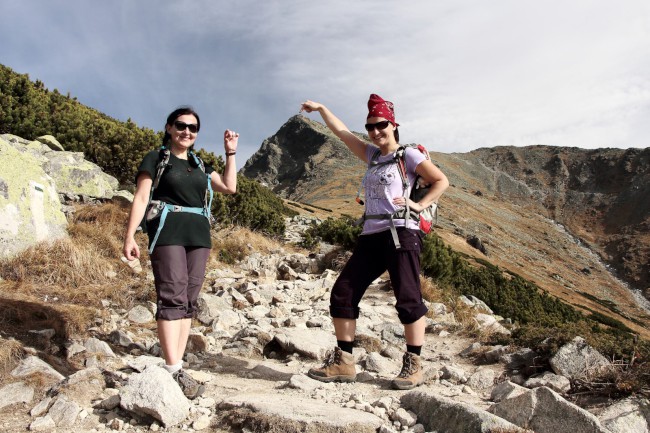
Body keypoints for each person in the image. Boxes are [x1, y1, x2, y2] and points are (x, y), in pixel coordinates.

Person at [300, 94, 449, 390]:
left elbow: (441, 181)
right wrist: (321, 109)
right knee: (343, 292)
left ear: (393, 125)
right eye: (370, 127)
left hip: (401, 233)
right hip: (371, 234)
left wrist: (417, 206)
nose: (375, 131)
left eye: (381, 125)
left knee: (408, 297)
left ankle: (414, 364)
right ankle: (344, 361)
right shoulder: (371, 156)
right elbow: (342, 134)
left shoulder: (408, 156)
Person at [122, 106, 238, 399]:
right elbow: (141, 196)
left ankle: (178, 364)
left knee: (188, 298)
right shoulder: (156, 158)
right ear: (169, 128)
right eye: (181, 125)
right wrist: (130, 235)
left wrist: (230, 154)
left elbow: (229, 187)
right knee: (172, 294)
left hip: (199, 235)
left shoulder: (200, 164)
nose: (187, 131)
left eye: (193, 128)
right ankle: (173, 369)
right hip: (167, 231)